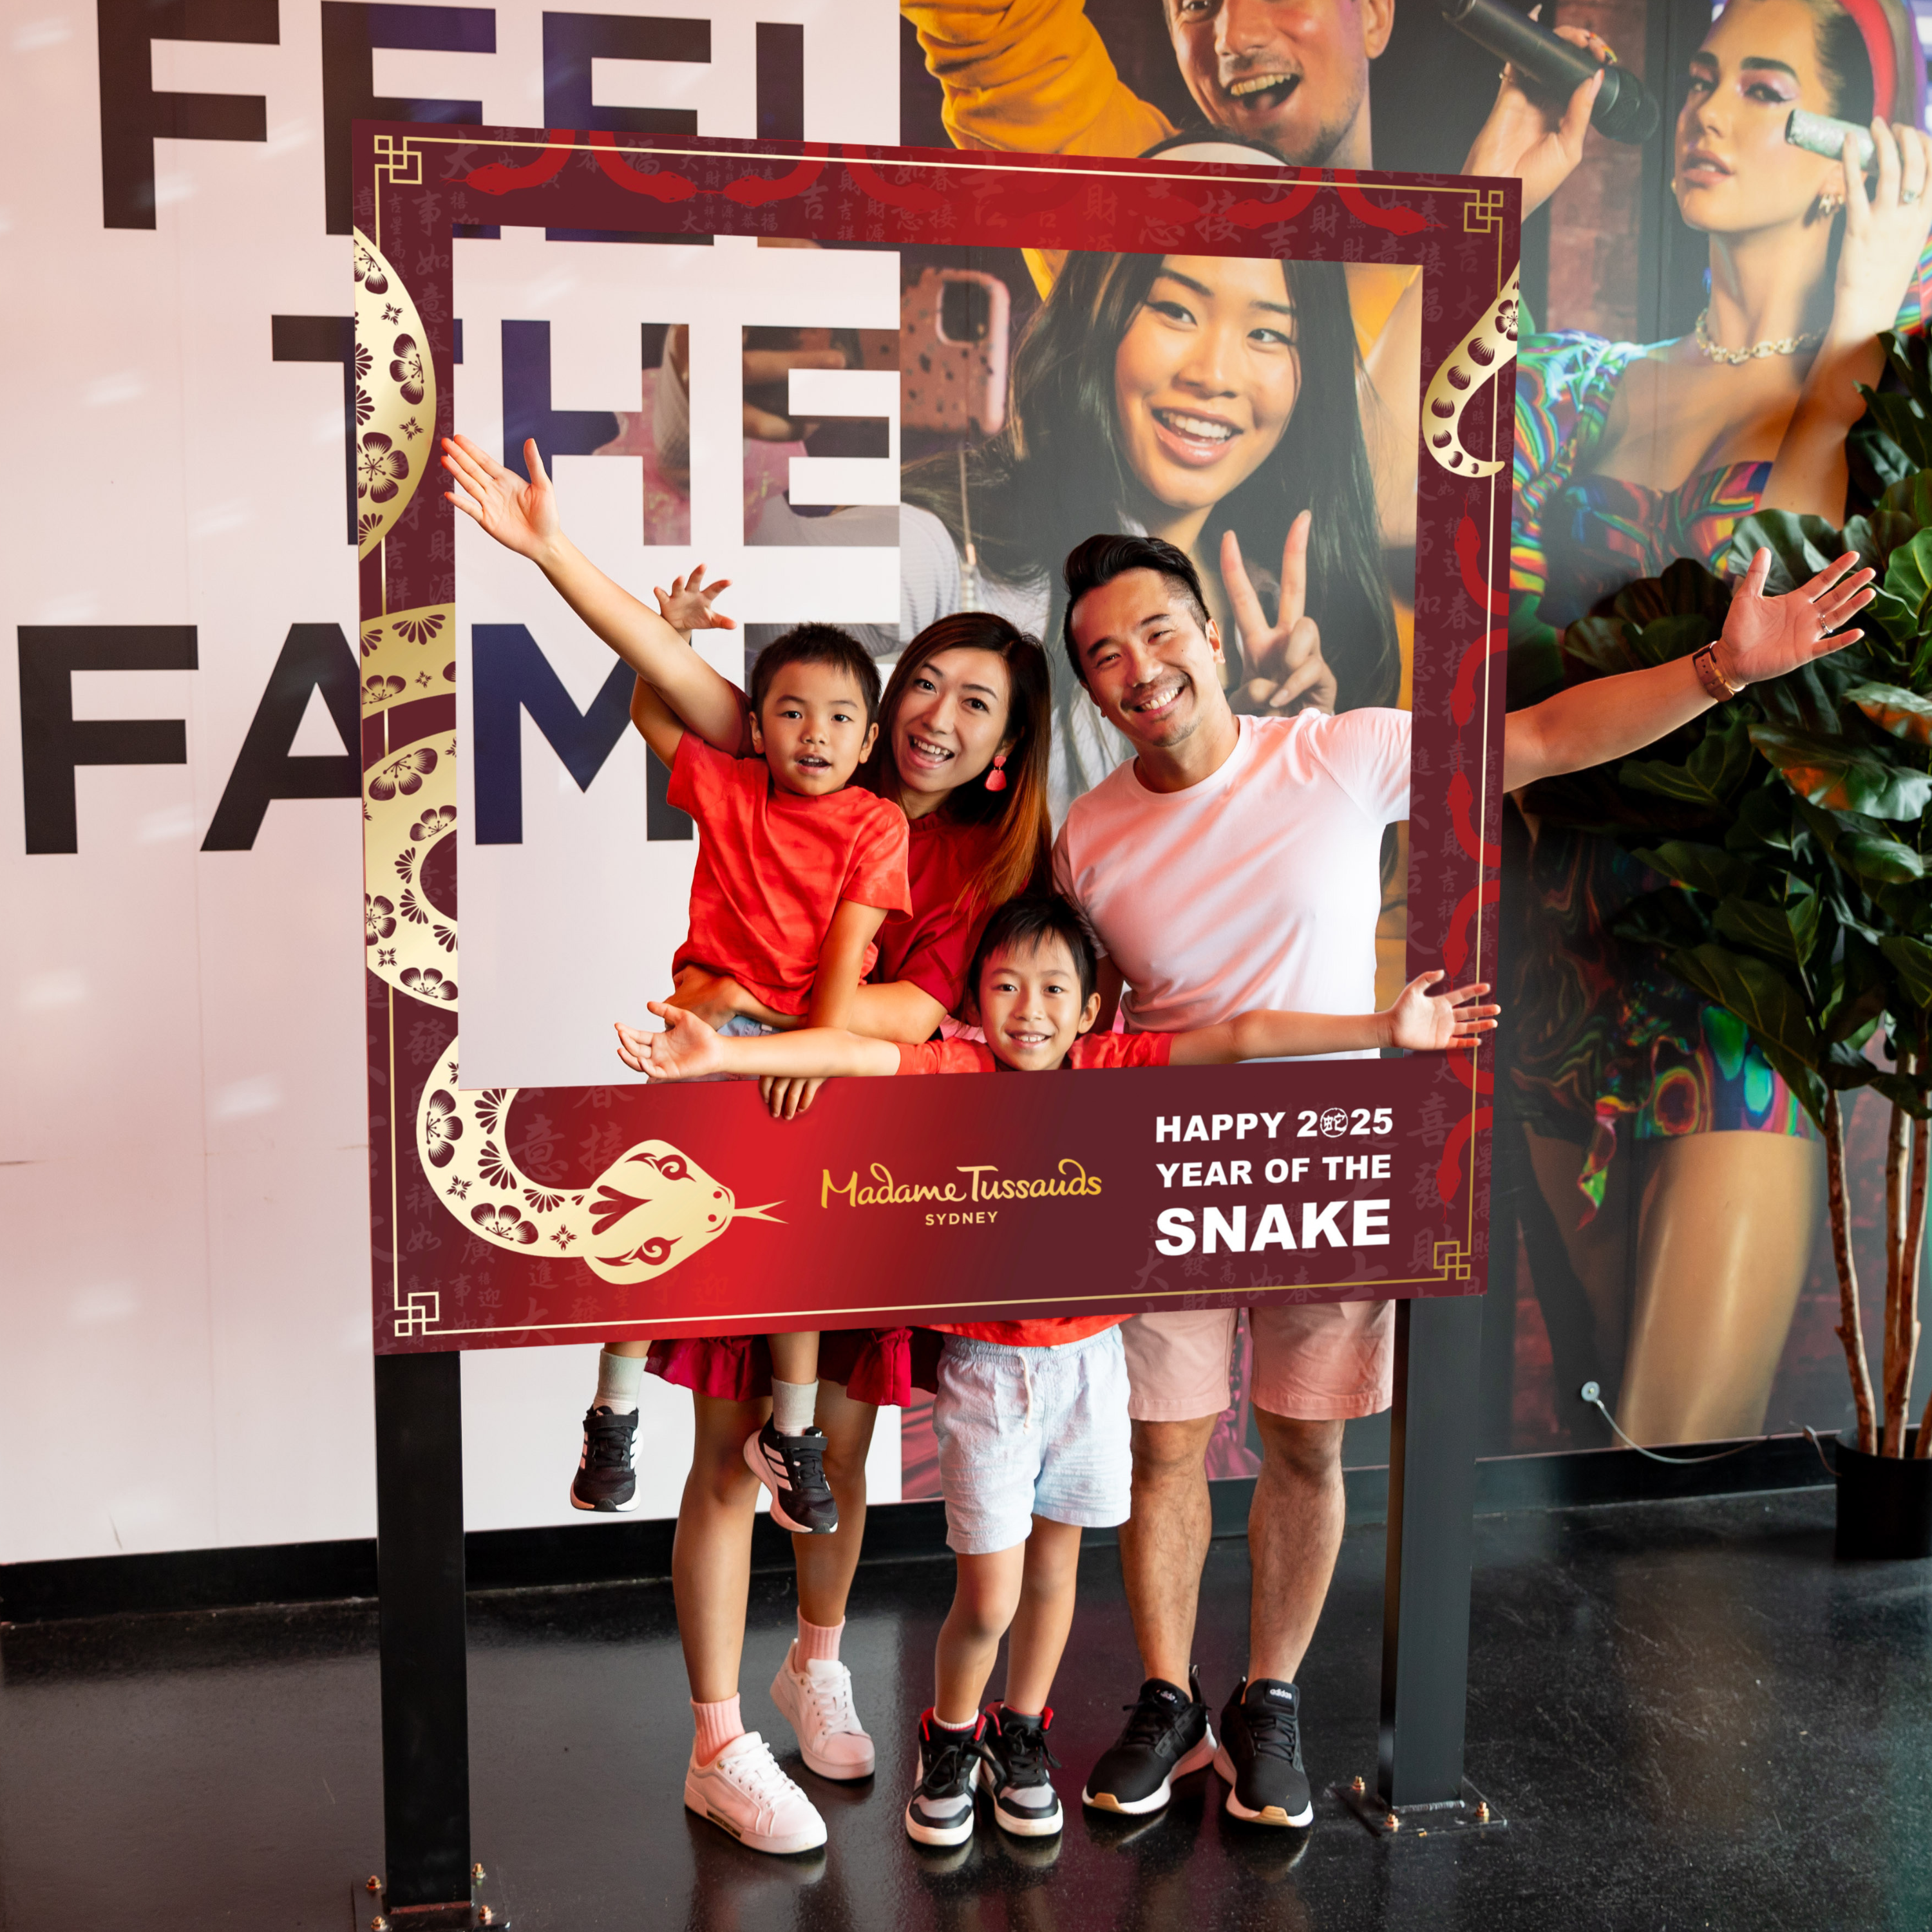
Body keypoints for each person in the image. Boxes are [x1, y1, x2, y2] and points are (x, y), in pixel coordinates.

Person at [1046, 528, 1873, 1828]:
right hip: (1171, 1176)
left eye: (1157, 633)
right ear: (1092, 690)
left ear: (1208, 635)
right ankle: (1169, 1703)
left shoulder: (1331, 753)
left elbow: (1538, 741)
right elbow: (1081, 1014)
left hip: (1328, 1171)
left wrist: (1721, 668)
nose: (1139, 669)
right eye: (1104, 656)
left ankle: (1267, 1702)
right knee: (1161, 1455)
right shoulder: (1086, 838)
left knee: (1303, 1448)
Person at [617, 893, 1495, 1850]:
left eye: (1051, 990)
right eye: (1003, 986)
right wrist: (725, 1055)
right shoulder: (957, 1068)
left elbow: (1240, 1035)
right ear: (975, 1001)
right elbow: (855, 1052)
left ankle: (1020, 1735)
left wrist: (1386, 1027)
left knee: (1055, 1578)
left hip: (1091, 1371)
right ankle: (949, 1738)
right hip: (989, 1377)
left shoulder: (1112, 1066)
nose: (1026, 1009)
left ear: (1089, 1009)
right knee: (989, 1596)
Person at [1507, 0, 1932, 1444]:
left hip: (1738, 977)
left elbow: (1806, 606)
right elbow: (1394, 483)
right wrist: (1496, 195)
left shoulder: (1892, 376)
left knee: (1664, 1462)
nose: (1703, 112)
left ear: (1846, 153)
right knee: (1593, 1466)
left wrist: (1863, 326)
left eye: (1762, 89)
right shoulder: (1582, 379)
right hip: (1556, 953)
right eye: (1698, 81)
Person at [443, 434, 914, 1541]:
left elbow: (846, 955)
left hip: (791, 1039)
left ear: (871, 740)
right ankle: (612, 1416)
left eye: (842, 719)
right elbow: (654, 718)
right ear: (758, 724)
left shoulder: (874, 824)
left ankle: (791, 1431)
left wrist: (813, 1049)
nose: (816, 734)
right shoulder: (735, 784)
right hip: (703, 1028)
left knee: (800, 1245)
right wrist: (674, 642)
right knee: (652, 1211)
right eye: (791, 712)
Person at [898, 247, 1399, 818]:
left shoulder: (1289, 626)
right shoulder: (946, 554)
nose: (1212, 376)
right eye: (1176, 311)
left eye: (1266, 333)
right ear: (1098, 318)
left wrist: (1264, 766)